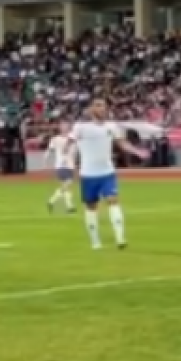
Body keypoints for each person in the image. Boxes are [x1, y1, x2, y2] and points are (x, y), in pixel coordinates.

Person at [68, 100, 148, 250]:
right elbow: (70, 142)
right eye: (98, 106)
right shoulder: (81, 127)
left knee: (113, 200)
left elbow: (122, 144)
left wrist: (137, 151)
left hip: (107, 172)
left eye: (104, 106)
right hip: (88, 174)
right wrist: (69, 161)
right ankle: (95, 241)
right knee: (91, 207)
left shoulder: (111, 127)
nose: (102, 109)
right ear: (91, 109)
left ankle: (120, 238)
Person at [45, 123, 78, 214]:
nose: (64, 128)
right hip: (62, 165)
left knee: (67, 187)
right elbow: (50, 150)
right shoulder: (56, 139)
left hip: (70, 164)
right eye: (63, 126)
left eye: (66, 126)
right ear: (60, 128)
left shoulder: (72, 137)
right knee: (67, 184)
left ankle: (69, 207)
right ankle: (51, 201)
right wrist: (46, 158)